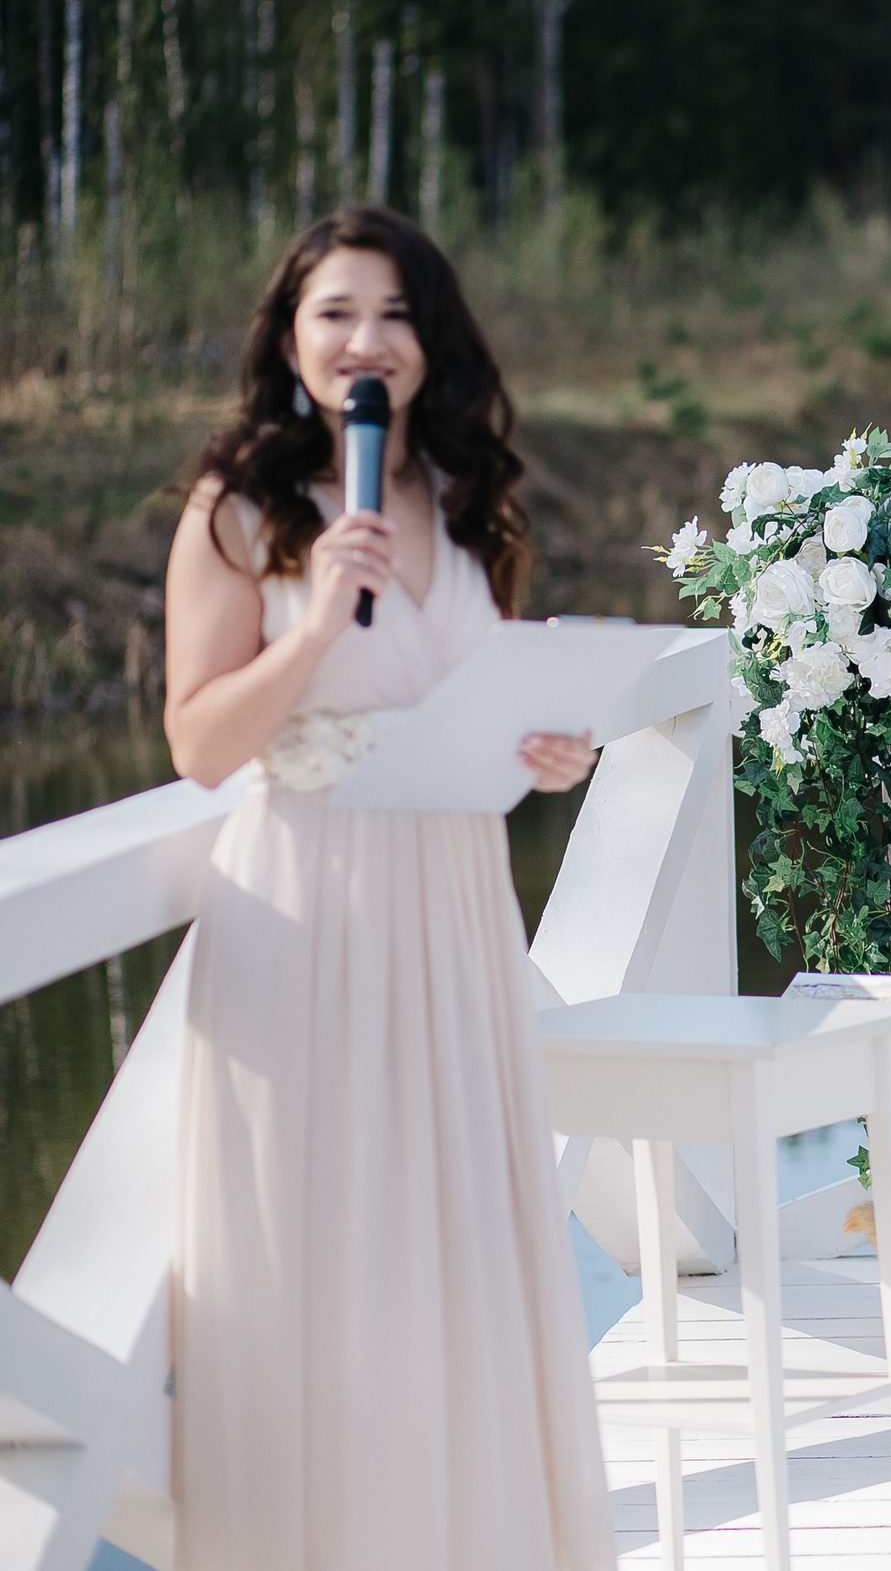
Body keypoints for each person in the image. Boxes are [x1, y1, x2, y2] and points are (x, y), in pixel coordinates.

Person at [163, 206, 613, 1568]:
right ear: (291, 341)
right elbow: (199, 746)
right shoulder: (239, 507)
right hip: (310, 907)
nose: (367, 340)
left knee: (457, 1251)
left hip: (456, 908)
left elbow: (466, 699)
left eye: (395, 314)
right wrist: (312, 625)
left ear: (432, 340)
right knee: (321, 1259)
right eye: (336, 314)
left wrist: (549, 750)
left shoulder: (469, 502)